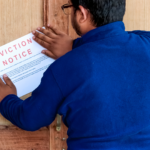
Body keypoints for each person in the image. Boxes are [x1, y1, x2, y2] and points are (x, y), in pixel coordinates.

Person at [0, 0, 150, 149]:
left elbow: (30, 118)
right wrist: (75, 46)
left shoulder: (65, 66)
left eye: (69, 8)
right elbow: (116, 39)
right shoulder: (146, 43)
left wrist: (6, 98)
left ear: (82, 14)